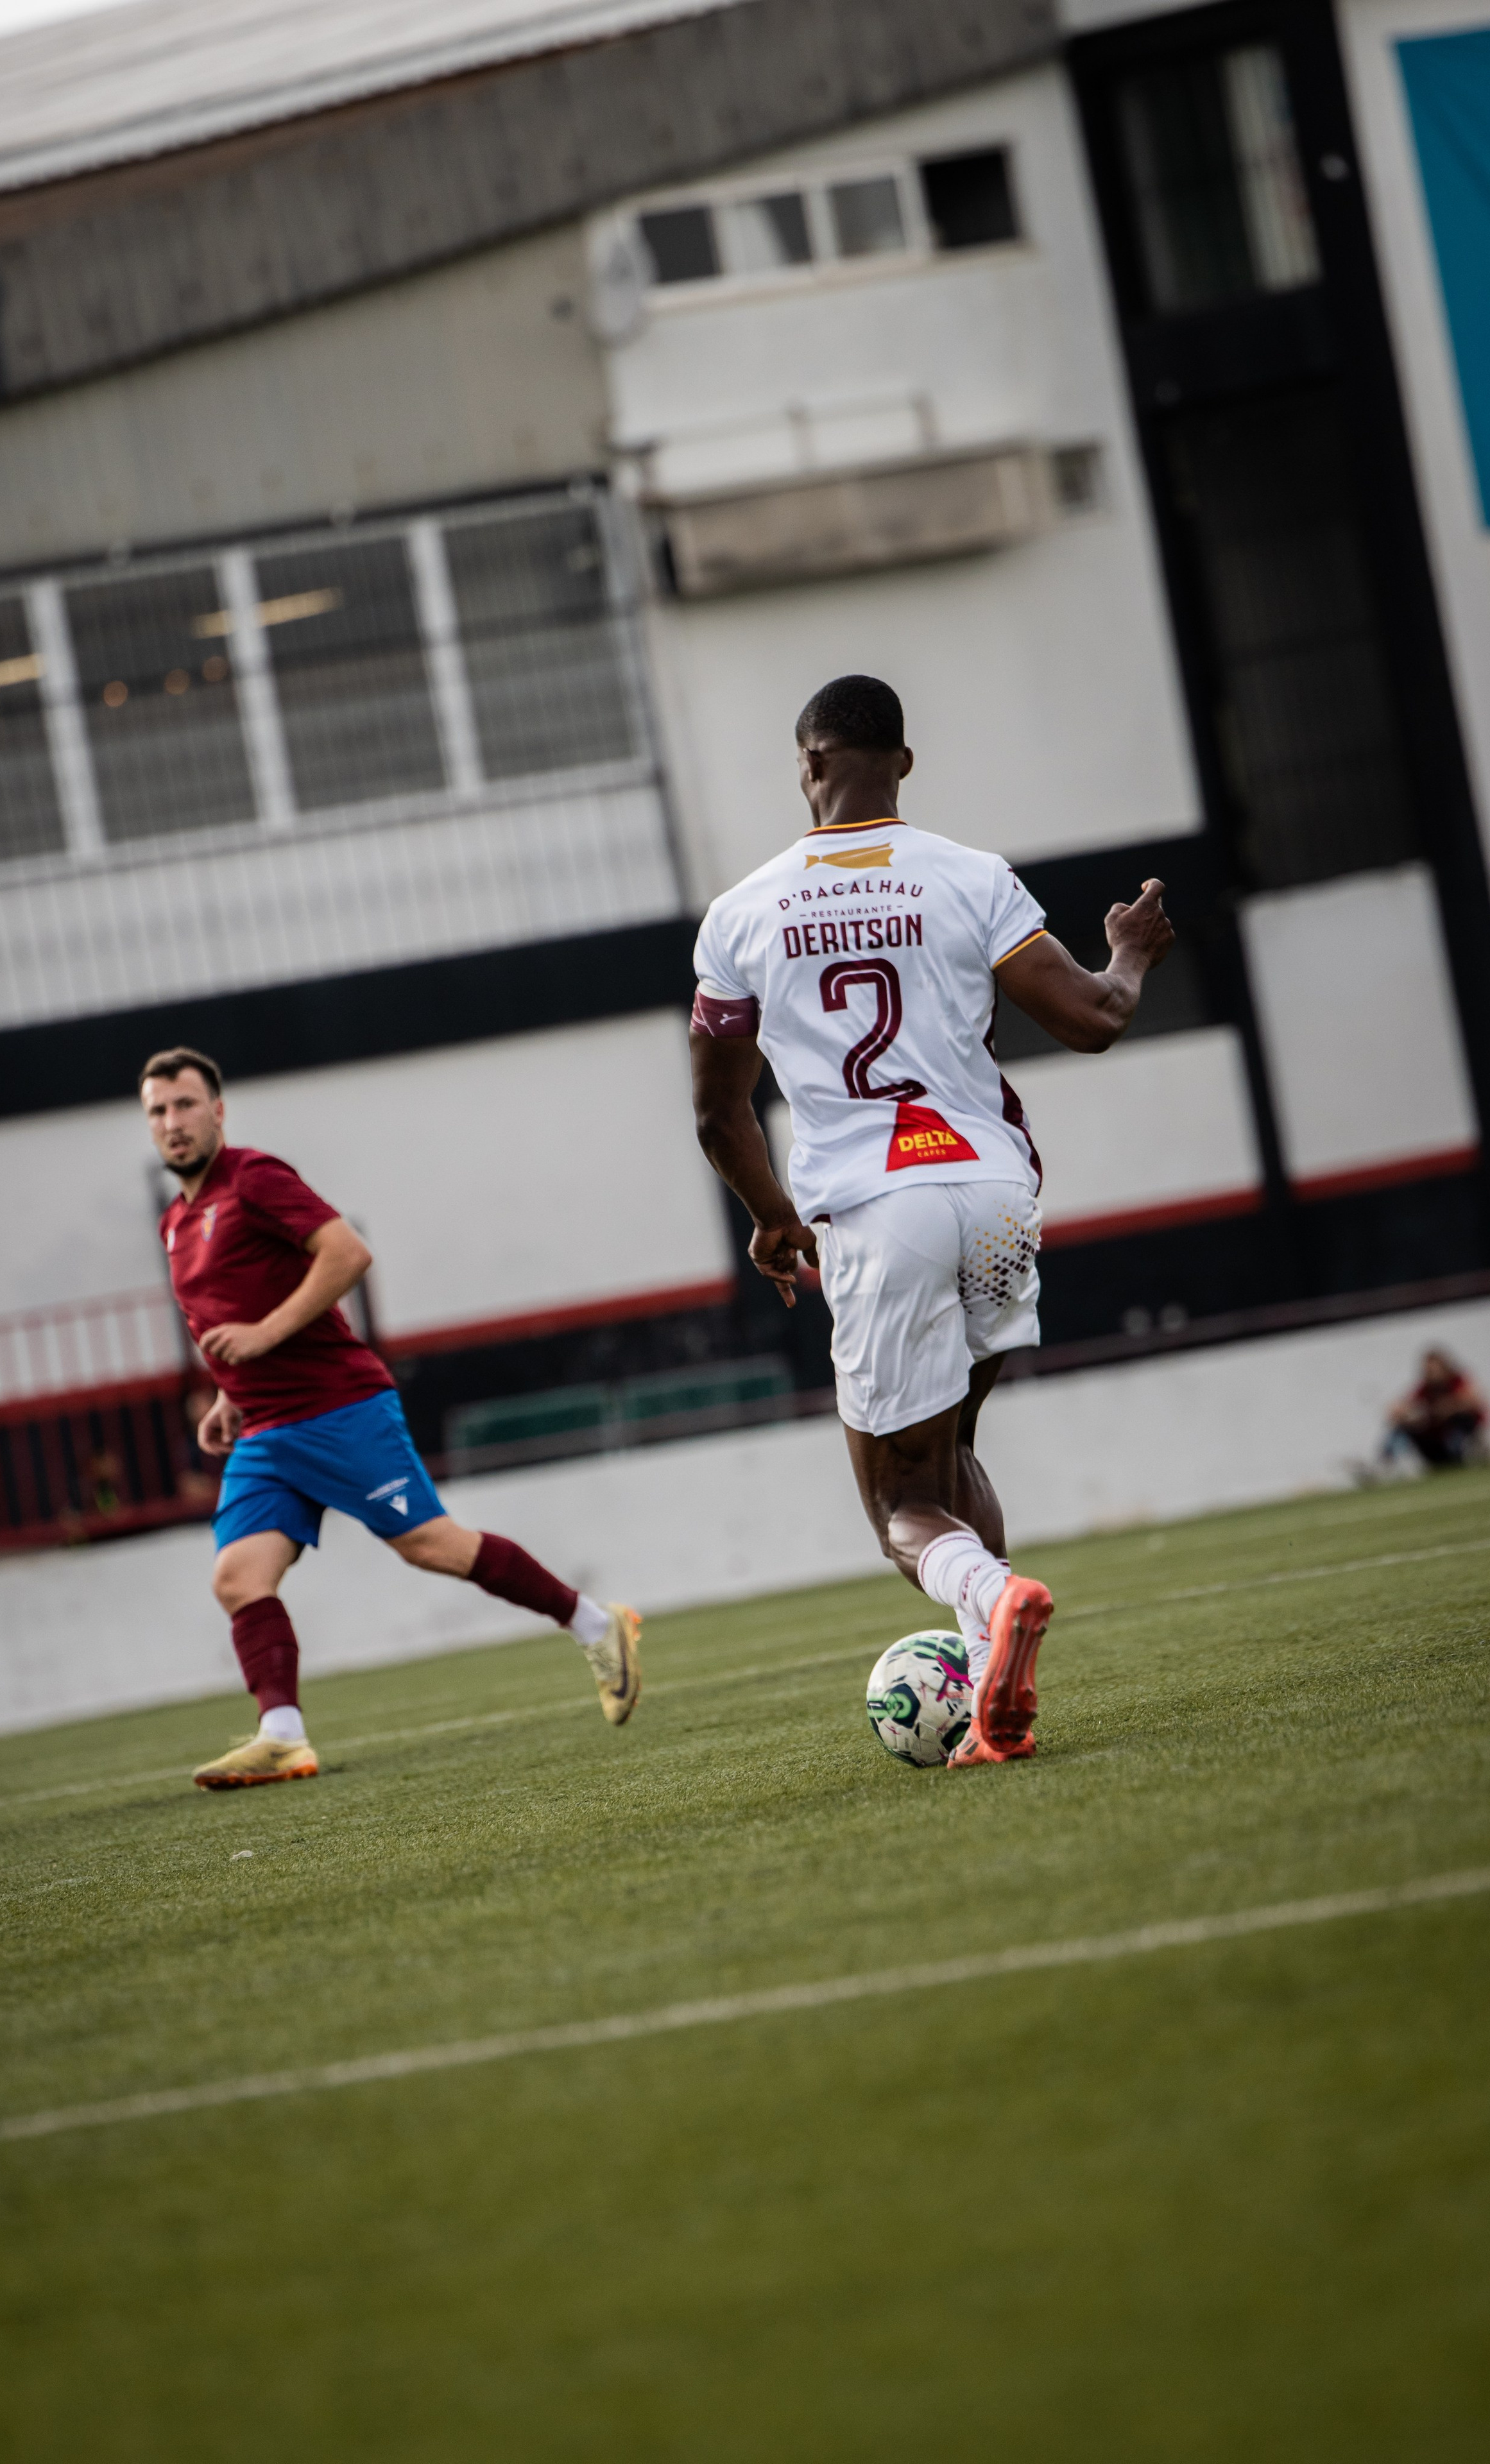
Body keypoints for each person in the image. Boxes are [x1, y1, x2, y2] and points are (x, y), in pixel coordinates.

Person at [689, 676, 1172, 1765]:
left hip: (878, 1208)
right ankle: (997, 1700)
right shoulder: (970, 878)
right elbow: (1095, 1018)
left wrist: (773, 1219)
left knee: (900, 1506)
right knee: (951, 1448)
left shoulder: (742, 915)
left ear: (807, 765)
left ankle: (996, 1605)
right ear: (903, 764)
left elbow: (719, 1114)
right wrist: (1131, 948)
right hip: (999, 1198)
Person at [140, 1047, 641, 1789]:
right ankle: (282, 1736)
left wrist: (264, 1338)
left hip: (338, 1409)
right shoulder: (176, 1225)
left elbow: (346, 1254)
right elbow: (228, 1315)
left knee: (432, 1546)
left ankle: (599, 1626)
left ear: (217, 1111)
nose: (172, 1123)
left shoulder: (254, 1178)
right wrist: (228, 1391)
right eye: (158, 1111)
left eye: (185, 1105)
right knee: (239, 1578)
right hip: (267, 1430)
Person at [1384, 1349, 1490, 1470]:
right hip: (1437, 1442)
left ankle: (1473, 1454)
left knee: (1461, 1421)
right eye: (1428, 1371)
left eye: (1433, 1370)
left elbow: (1475, 1400)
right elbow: (1404, 1407)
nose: (1430, 1374)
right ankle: (1387, 1464)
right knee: (1402, 1429)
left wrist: (1448, 1407)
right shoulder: (1425, 1390)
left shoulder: (1457, 1382)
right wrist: (1404, 1412)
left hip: (1458, 1437)